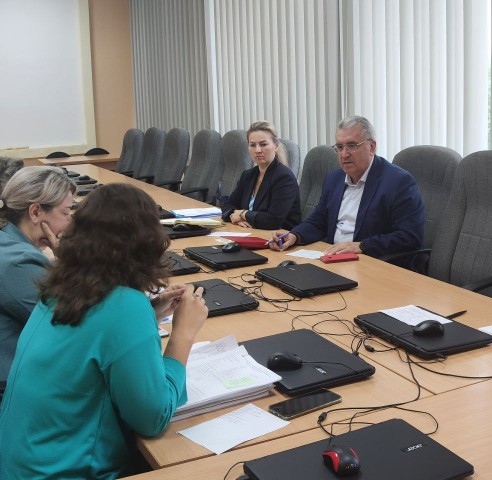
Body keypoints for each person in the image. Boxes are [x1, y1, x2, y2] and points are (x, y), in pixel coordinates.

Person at [0, 183, 209, 478]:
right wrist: (183, 334)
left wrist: (151, 311)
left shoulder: (62, 284)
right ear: (147, 243)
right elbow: (152, 418)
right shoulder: (125, 305)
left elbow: (91, 332)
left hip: (19, 464)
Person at [269, 115, 425, 261]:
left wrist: (361, 246)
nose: (344, 154)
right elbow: (318, 221)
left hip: (371, 262)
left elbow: (409, 237)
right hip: (333, 259)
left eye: (352, 146)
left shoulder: (398, 182)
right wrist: (295, 236)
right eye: (339, 147)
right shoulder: (334, 179)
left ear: (372, 147)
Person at [0, 166, 76, 393]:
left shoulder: (8, 243)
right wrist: (71, 262)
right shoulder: (19, 262)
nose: (70, 222)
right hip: (13, 388)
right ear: (35, 212)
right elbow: (73, 325)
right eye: (65, 213)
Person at [221, 121, 301, 230]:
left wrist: (243, 214)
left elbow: (273, 220)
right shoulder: (248, 175)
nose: (257, 150)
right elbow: (228, 205)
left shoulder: (284, 178)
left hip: (278, 236)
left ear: (276, 146)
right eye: (252, 145)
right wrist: (235, 217)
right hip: (249, 232)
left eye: (263, 144)